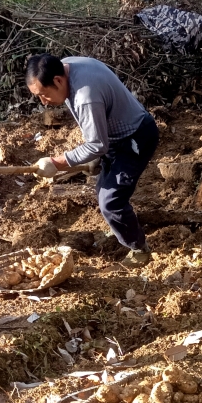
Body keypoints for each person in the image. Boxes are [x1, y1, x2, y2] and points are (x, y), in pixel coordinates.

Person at [25, 54, 158, 267]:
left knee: (111, 201)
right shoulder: (68, 65)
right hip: (116, 136)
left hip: (136, 138)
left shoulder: (85, 96)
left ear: (58, 80)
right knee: (102, 189)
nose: (43, 102)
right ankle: (121, 227)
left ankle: (139, 249)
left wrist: (57, 163)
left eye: (44, 94)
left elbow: (97, 145)